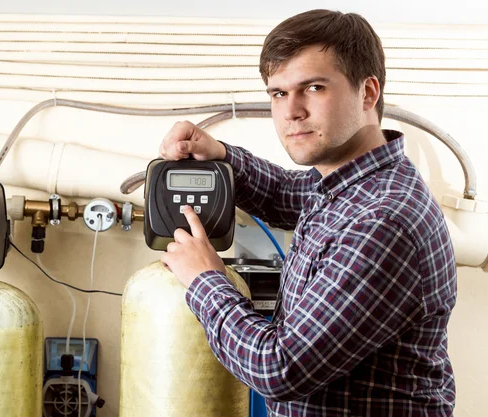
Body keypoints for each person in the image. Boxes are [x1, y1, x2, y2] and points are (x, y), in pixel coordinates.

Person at [159, 9, 457, 417]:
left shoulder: (383, 220)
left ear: (367, 93)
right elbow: (286, 192)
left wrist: (204, 279)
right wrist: (224, 157)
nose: (291, 111)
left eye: (313, 88)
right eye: (278, 93)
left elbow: (279, 368)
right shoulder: (352, 184)